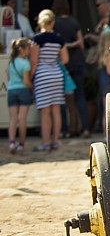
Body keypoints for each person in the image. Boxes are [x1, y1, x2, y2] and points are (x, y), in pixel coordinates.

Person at [51, 0, 90, 138]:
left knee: (61, 98)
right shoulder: (74, 22)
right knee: (80, 96)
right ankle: (85, 128)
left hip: (62, 64)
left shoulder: (54, 23)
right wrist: (71, 44)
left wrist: (64, 45)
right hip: (77, 62)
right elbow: (80, 42)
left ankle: (64, 130)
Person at [30, 9, 68, 151]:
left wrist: (30, 77)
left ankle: (45, 142)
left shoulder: (37, 39)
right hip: (56, 75)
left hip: (42, 75)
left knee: (45, 112)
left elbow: (34, 62)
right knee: (56, 110)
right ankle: (55, 141)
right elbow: (65, 59)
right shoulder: (59, 38)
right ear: (53, 22)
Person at [6, 37, 33, 153]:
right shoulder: (25, 63)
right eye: (28, 49)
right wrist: (32, 87)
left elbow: (8, 77)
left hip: (11, 90)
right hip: (23, 91)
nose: (29, 51)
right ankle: (21, 144)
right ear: (22, 49)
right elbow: (26, 82)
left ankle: (11, 142)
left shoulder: (11, 62)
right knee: (22, 119)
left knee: (13, 119)